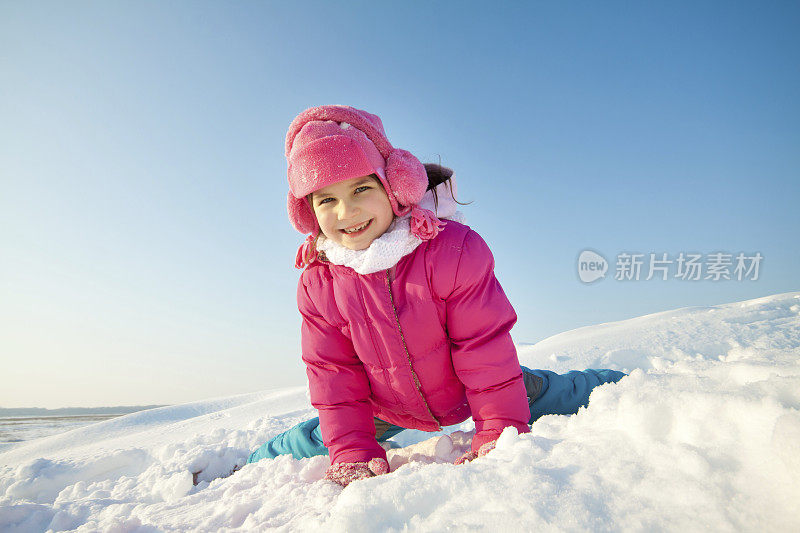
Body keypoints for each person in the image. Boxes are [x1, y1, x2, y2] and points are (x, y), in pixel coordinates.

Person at [248, 105, 625, 487]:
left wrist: (498, 427)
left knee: (557, 393)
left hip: (471, 385)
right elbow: (333, 374)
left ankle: (622, 382)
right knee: (315, 439)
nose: (347, 211)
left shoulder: (451, 250)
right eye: (326, 199)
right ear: (308, 212)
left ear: (394, 186)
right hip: (385, 406)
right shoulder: (319, 283)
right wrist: (352, 452)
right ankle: (249, 460)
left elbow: (484, 348)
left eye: (361, 188)